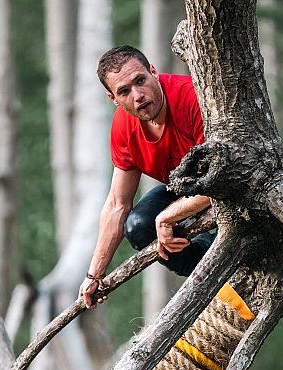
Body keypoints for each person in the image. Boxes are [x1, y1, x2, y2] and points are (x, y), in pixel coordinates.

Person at [78, 45, 214, 309]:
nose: (138, 96)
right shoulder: (123, 128)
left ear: (154, 72)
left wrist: (168, 216)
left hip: (227, 189)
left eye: (140, 81)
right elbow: (118, 205)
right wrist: (94, 275)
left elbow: (220, 182)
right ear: (113, 98)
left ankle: (218, 249)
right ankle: (204, 266)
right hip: (185, 187)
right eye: (124, 91)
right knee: (139, 226)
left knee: (161, 219)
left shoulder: (191, 98)